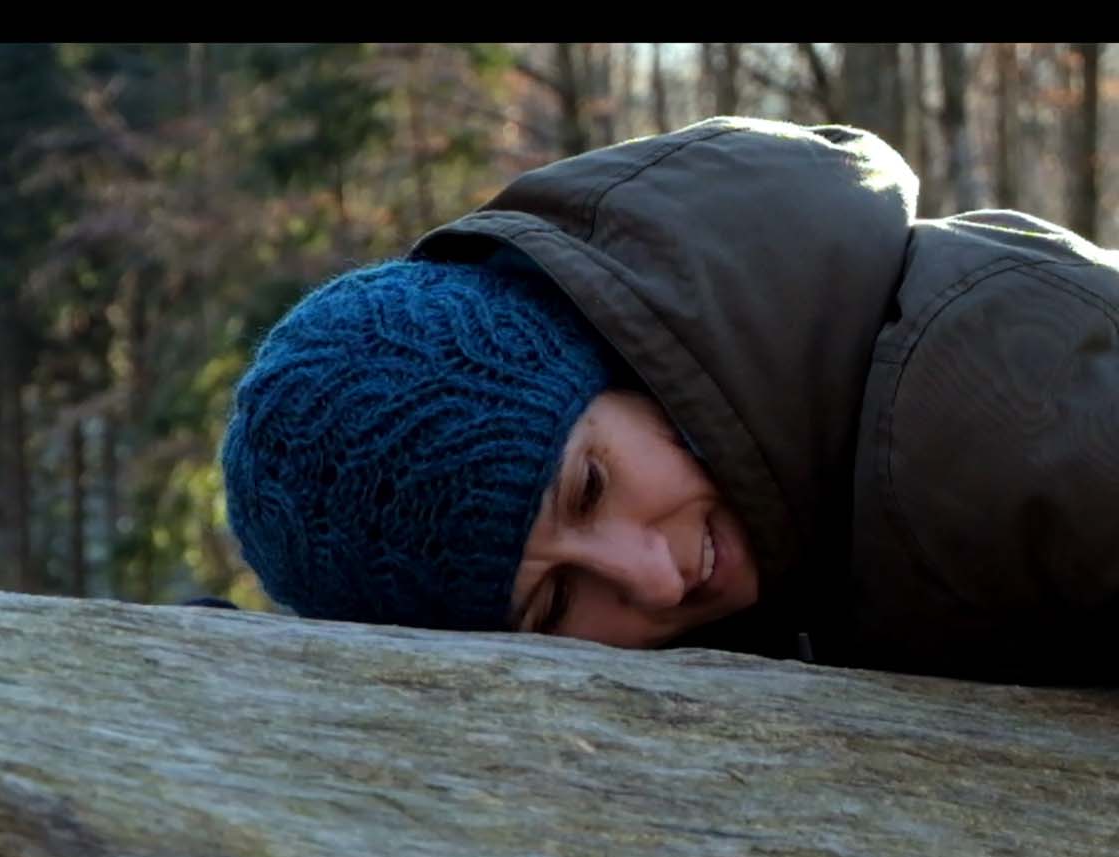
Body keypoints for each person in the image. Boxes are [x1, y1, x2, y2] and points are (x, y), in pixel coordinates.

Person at [219, 116, 1119, 687]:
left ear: (624, 354)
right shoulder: (800, 506)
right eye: (555, 608)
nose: (651, 579)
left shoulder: (1000, 405)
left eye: (588, 487)